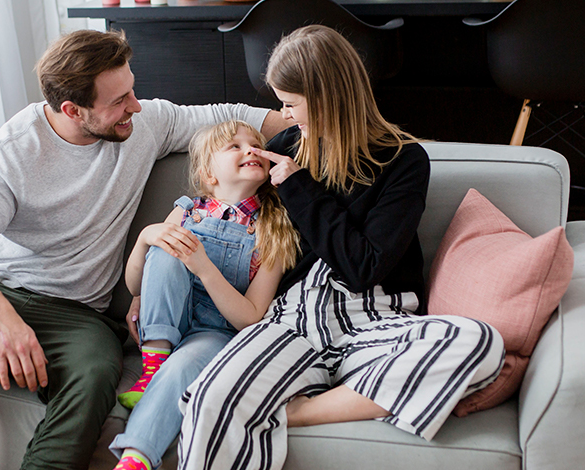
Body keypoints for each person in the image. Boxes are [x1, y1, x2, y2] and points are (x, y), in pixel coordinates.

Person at [0, 29, 287, 470]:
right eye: (119, 100)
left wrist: (311, 124)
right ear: (72, 109)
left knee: (95, 373)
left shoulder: (143, 125)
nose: (136, 106)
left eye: (132, 89)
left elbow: (232, 116)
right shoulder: (13, 151)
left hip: (77, 318)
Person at [177, 25, 506, 470]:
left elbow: (363, 266)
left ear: (328, 97)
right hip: (292, 319)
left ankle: (298, 410)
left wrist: (298, 186)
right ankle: (305, 394)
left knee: (477, 341)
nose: (284, 114)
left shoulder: (402, 160)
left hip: (374, 320)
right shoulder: (283, 147)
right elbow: (218, 206)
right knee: (211, 397)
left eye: (290, 103)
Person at [109, 120, 300, 470]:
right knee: (167, 247)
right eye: (235, 146)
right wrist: (145, 237)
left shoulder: (276, 229)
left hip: (216, 333)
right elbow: (137, 288)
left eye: (256, 145)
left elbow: (250, 317)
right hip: (167, 321)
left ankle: (135, 460)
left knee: (180, 368)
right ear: (208, 173)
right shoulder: (186, 210)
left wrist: (203, 268)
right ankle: (153, 363)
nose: (250, 150)